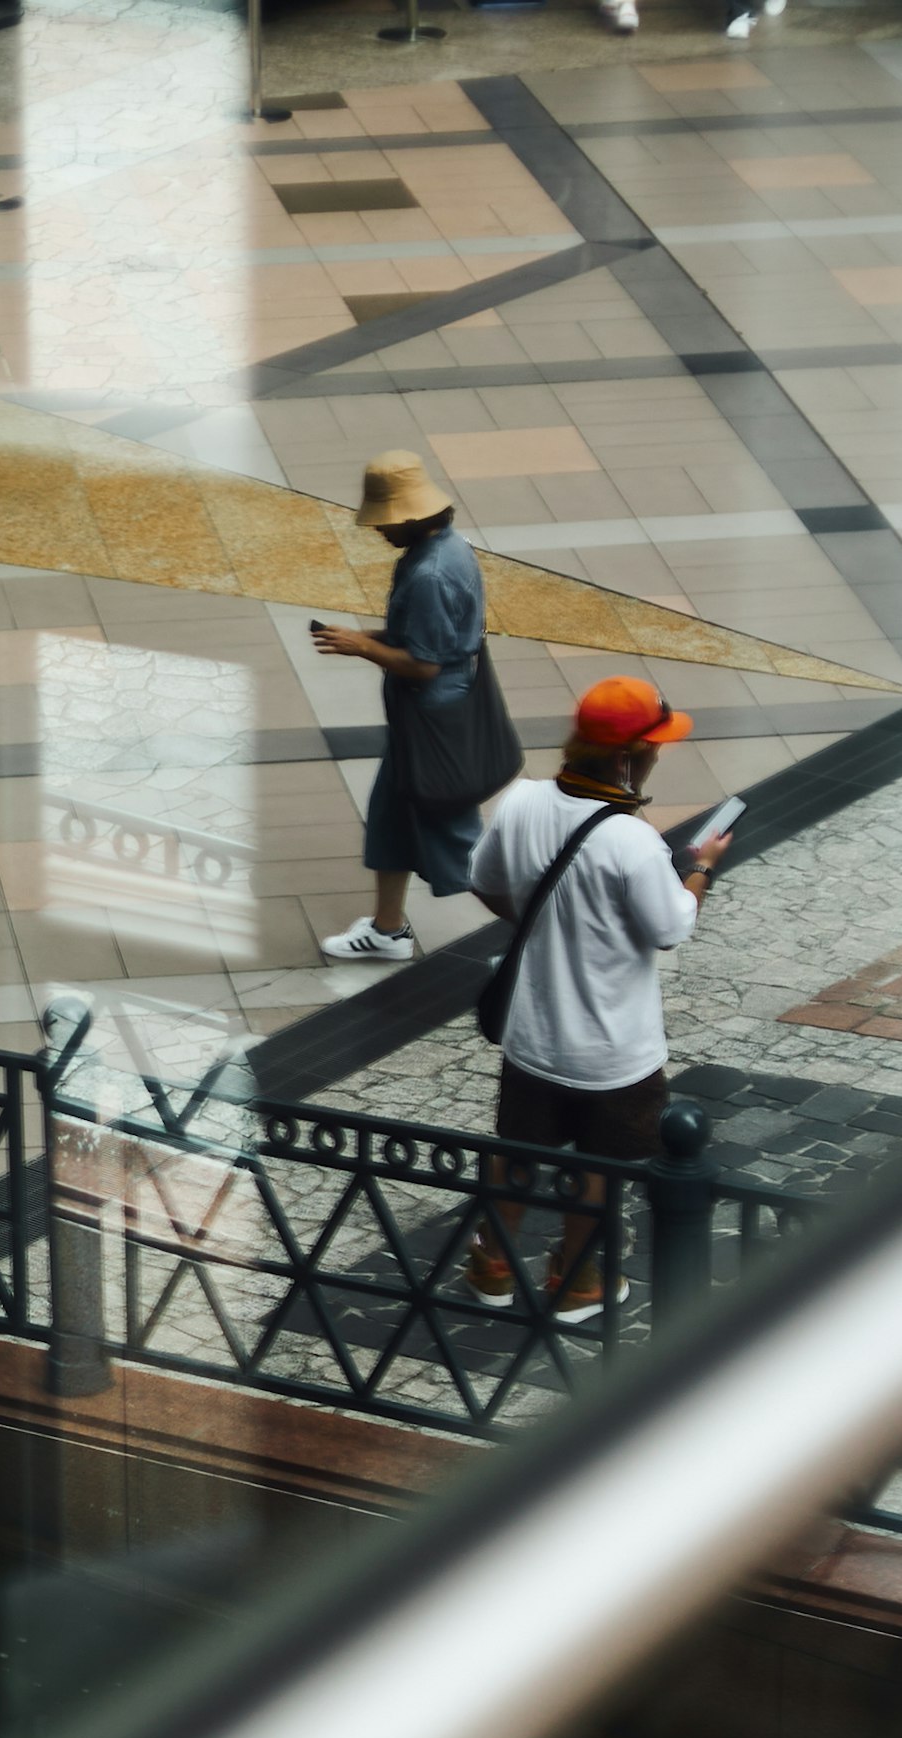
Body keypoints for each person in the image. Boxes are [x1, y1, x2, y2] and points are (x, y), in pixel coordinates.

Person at [461, 676, 734, 1322]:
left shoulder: (522, 802)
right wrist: (701, 867)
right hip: (614, 1050)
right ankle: (576, 1277)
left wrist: (542, 925)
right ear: (624, 758)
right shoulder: (631, 841)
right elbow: (670, 928)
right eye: (654, 747)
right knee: (602, 1163)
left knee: (519, 1147)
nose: (659, 756)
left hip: (533, 1033)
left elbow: (485, 881)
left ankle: (492, 1261)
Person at [313, 451, 492, 966]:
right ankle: (388, 930)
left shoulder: (430, 574)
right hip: (423, 722)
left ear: (412, 517)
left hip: (433, 724)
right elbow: (427, 639)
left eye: (386, 521)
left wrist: (361, 647)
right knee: (391, 819)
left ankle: (541, 925)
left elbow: (424, 664)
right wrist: (366, 636)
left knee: (458, 842)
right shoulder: (447, 549)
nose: (379, 531)